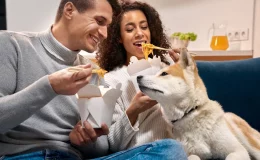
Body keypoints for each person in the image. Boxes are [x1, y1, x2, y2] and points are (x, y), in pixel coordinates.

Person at [0, 0, 186, 160]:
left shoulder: (95, 76)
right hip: (23, 155)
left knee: (172, 149)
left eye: (108, 25)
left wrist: (84, 142)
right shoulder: (13, 45)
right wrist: (50, 86)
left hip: (72, 156)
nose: (105, 33)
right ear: (69, 10)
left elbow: (102, 148)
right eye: (99, 21)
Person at [96, 1, 186, 158]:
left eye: (144, 27)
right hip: (143, 152)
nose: (139, 33)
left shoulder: (169, 69)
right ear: (119, 38)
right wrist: (133, 111)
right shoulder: (111, 81)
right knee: (173, 148)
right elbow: (111, 145)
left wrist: (186, 74)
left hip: (177, 150)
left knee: (178, 148)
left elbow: (196, 117)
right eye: (130, 29)